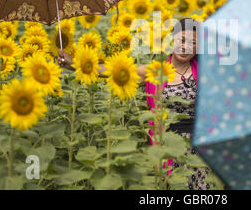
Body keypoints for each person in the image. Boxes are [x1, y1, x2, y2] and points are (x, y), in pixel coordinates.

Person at [57, 17, 212, 190]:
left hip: (198, 148)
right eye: (181, 40)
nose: (185, 47)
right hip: (166, 145)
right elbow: (112, 70)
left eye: (192, 42)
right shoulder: (156, 70)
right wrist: (72, 64)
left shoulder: (204, 71)